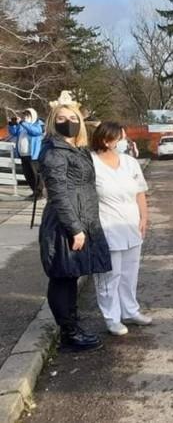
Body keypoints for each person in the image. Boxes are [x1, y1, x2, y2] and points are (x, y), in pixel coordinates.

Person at [38, 92, 112, 352]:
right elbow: (58, 194)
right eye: (61, 118)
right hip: (65, 224)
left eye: (72, 117)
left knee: (70, 277)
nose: (68, 121)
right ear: (52, 121)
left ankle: (73, 326)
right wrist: (76, 228)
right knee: (62, 278)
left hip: (81, 220)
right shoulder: (55, 152)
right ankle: (69, 333)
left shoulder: (74, 149)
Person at [91, 122, 152, 335]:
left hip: (131, 223)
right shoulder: (92, 164)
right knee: (110, 275)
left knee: (129, 272)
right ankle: (112, 317)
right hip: (107, 225)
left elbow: (140, 192)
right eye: (121, 138)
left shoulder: (129, 162)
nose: (125, 142)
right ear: (107, 141)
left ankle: (130, 310)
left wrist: (144, 217)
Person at [8, 108, 45, 198]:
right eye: (24, 115)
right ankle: (34, 192)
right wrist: (12, 124)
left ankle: (39, 193)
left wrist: (23, 123)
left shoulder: (38, 124)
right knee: (28, 175)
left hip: (33, 155)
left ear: (33, 115)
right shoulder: (22, 126)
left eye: (27, 115)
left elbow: (35, 132)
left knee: (35, 175)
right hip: (23, 154)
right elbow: (14, 133)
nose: (25, 117)